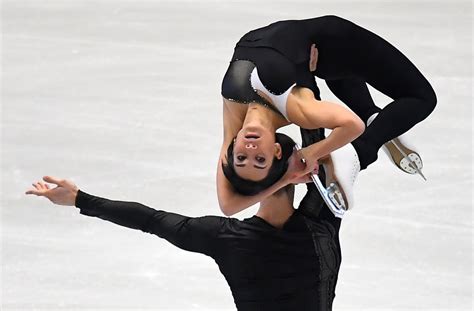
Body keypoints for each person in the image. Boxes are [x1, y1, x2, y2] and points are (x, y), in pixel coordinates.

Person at [25, 133, 343, 311]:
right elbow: (320, 155)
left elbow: (152, 220)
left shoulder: (226, 237)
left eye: (257, 159)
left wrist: (81, 199)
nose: (250, 154)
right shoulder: (322, 222)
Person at [219, 15, 437, 213]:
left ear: (234, 146)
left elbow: (227, 206)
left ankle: (374, 117)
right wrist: (305, 159)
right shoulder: (297, 110)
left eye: (240, 158)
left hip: (312, 51)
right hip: (334, 46)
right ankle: (359, 153)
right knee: (422, 98)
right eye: (259, 159)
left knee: (330, 70)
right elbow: (352, 125)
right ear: (276, 150)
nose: (249, 150)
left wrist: (289, 174)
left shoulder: (233, 118)